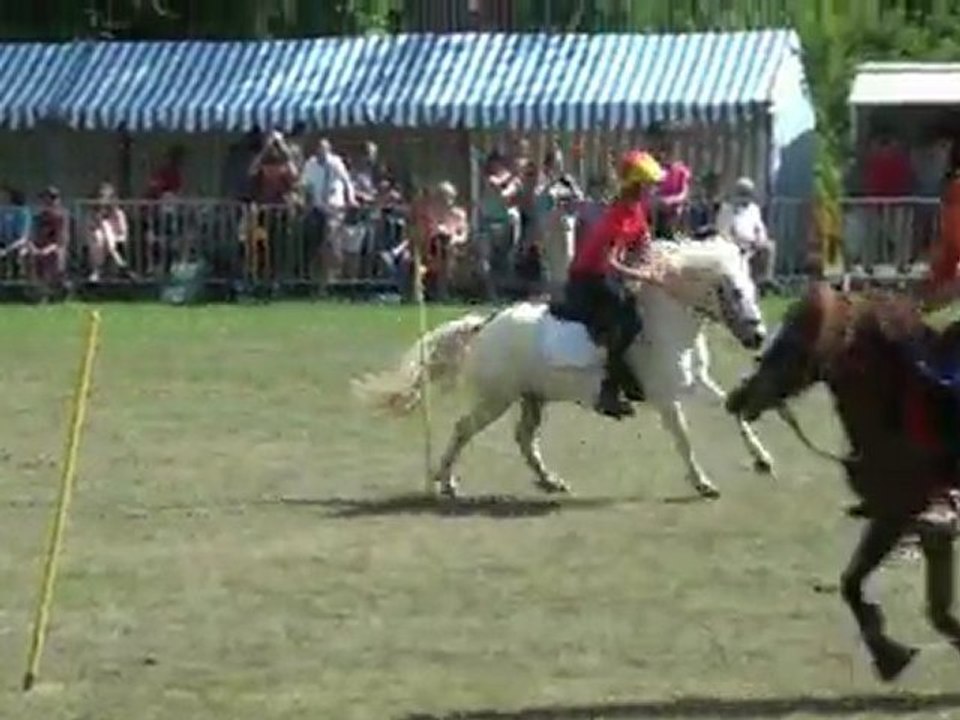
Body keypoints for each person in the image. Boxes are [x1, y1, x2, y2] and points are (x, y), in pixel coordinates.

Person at [560, 149, 666, 420]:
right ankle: (610, 387)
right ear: (636, 186)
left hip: (606, 275)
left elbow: (644, 242)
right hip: (587, 279)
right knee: (628, 321)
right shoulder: (616, 218)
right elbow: (612, 264)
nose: (653, 190)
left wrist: (653, 262)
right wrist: (644, 276)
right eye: (649, 185)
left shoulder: (636, 210)